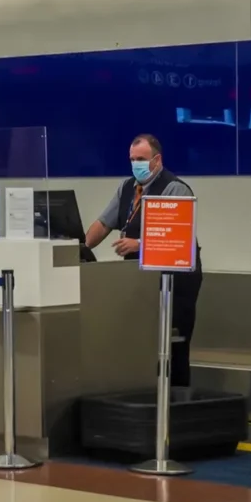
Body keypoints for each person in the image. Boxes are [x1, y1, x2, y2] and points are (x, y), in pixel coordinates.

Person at [84, 134, 203, 388]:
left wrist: (139, 245)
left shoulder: (176, 188)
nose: (135, 164)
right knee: (138, 343)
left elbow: (177, 240)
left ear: (157, 160)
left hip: (174, 283)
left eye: (141, 159)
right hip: (139, 280)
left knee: (173, 346)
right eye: (132, 159)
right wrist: (82, 246)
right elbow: (104, 223)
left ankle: (175, 401)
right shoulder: (127, 187)